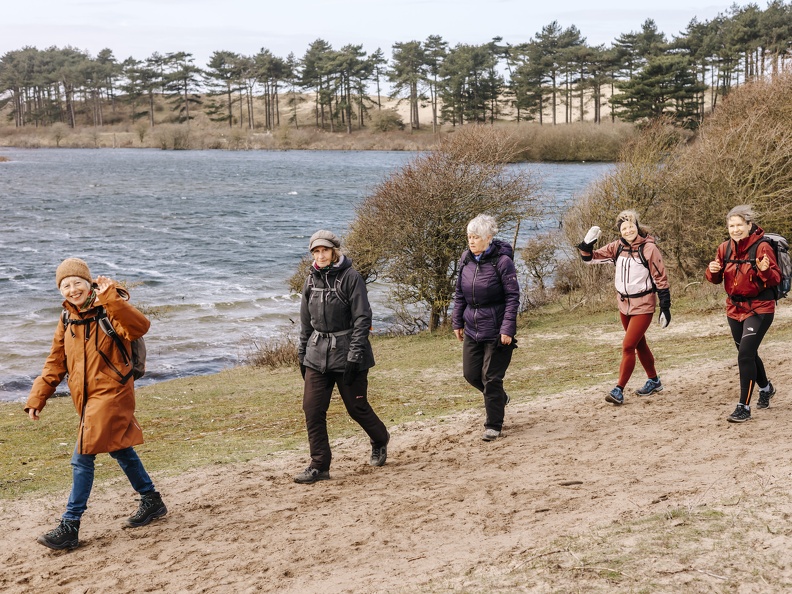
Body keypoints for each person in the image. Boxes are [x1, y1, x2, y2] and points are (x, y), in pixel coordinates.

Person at [25, 258, 166, 551]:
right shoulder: (66, 319)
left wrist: (111, 298)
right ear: (60, 290)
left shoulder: (108, 308)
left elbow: (139, 327)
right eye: (66, 285)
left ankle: (70, 525)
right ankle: (151, 500)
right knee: (119, 448)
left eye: (77, 282)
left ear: (89, 282)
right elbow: (55, 362)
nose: (72, 289)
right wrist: (38, 397)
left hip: (113, 393)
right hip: (87, 399)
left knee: (82, 456)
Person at [295, 230, 390, 484]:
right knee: (312, 409)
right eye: (316, 251)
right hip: (317, 355)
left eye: (325, 250)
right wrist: (302, 353)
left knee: (356, 408)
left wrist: (355, 354)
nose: (321, 255)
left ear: (334, 251)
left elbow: (362, 318)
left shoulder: (351, 277)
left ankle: (380, 439)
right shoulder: (310, 281)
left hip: (349, 354)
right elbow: (306, 322)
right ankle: (319, 465)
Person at [577, 210, 671, 406]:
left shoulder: (649, 249)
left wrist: (665, 306)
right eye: (624, 227)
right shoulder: (616, 247)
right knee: (639, 344)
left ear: (637, 226)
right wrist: (586, 244)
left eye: (631, 226)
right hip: (623, 305)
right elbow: (590, 259)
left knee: (628, 346)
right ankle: (654, 381)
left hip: (643, 304)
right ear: (620, 230)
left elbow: (660, 278)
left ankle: (618, 390)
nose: (628, 230)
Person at [705, 205, 781, 423]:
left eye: (739, 225)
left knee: (745, 354)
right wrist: (712, 271)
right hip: (734, 309)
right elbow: (716, 279)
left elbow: (775, 278)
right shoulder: (724, 249)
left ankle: (743, 407)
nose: (735, 229)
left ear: (749, 225)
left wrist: (765, 270)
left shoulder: (762, 247)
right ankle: (766, 388)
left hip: (760, 308)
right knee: (749, 353)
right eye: (731, 226)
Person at [452, 214, 520, 441]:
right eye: (469, 237)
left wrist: (507, 329)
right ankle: (500, 398)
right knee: (471, 374)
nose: (471, 241)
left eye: (476, 237)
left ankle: (493, 425)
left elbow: (512, 297)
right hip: (472, 325)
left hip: (497, 327)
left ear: (488, 238)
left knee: (491, 377)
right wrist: (457, 321)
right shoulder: (465, 259)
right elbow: (460, 293)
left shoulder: (503, 262)